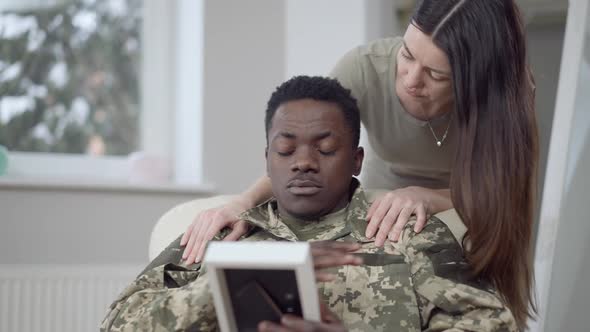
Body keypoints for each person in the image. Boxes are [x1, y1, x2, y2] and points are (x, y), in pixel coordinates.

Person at [182, 0, 538, 329]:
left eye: (437, 75)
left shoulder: (507, 95)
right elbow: (308, 142)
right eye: (408, 55)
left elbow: (504, 192)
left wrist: (431, 197)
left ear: (476, 76)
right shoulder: (364, 68)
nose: (412, 80)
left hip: (473, 196)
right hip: (388, 188)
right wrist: (242, 202)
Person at [102, 76, 517, 331]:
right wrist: (221, 287)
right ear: (267, 159)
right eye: (285, 149)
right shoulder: (220, 237)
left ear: (356, 160)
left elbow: (493, 326)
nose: (303, 162)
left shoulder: (406, 231)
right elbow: (116, 326)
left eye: (325, 148)